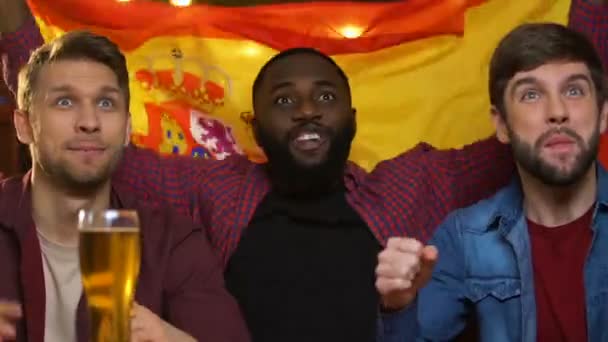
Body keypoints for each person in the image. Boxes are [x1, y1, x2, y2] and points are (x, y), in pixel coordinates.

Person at [1, 1, 608, 341]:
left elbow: (536, 125)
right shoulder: (215, 189)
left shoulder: (416, 182)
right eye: (284, 101)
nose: (308, 108)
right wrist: (16, 25)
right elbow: (85, 135)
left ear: (352, 116)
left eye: (324, 95)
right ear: (255, 125)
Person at [0, 30, 249, 342]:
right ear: (24, 126)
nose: (90, 122)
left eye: (105, 103)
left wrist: (168, 337)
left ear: (128, 128)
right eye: (65, 101)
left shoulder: (170, 239)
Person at [411, 22, 608, 341]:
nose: (557, 112)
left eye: (574, 90)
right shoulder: (464, 237)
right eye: (531, 94)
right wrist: (397, 308)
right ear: (501, 124)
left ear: (602, 114)